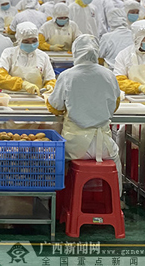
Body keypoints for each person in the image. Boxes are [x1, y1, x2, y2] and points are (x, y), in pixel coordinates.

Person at [46, 35, 122, 194]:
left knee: (55, 157)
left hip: (74, 146)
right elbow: (114, 105)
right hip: (104, 144)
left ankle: (57, 200)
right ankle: (116, 198)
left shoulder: (67, 76)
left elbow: (55, 107)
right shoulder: (109, 75)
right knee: (116, 158)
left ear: (76, 52)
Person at [0, 22, 56, 96]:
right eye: (26, 41)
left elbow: (51, 79)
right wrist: (22, 84)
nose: (31, 44)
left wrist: (50, 86)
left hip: (36, 97)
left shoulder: (43, 56)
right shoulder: (9, 53)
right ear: (19, 41)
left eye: (34, 41)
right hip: (11, 96)